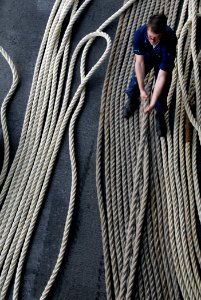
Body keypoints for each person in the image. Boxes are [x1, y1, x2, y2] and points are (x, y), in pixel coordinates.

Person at [123, 14, 177, 137]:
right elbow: (139, 62)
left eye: (155, 38)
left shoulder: (169, 43)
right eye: (150, 36)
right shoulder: (139, 34)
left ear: (162, 34)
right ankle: (132, 99)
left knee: (162, 92)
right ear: (147, 29)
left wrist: (152, 102)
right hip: (147, 56)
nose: (152, 40)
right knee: (135, 81)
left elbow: (161, 76)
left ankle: (159, 113)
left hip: (162, 58)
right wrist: (142, 89)